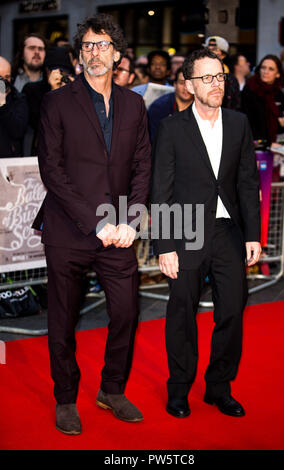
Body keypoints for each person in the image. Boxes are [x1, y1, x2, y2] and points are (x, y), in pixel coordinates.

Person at [32, 13, 151, 435]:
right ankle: (66, 397)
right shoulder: (57, 102)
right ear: (80, 55)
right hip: (69, 230)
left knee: (126, 310)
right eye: (88, 46)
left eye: (103, 46)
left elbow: (142, 167)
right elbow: (53, 170)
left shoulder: (134, 104)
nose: (94, 53)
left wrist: (133, 219)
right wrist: (94, 222)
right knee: (62, 319)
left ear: (118, 55)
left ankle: (112, 390)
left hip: (119, 233)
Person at [151, 47, 261, 419]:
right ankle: (179, 388)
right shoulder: (171, 127)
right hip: (185, 230)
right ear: (189, 84)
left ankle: (218, 387)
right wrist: (164, 246)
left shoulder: (239, 122)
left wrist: (253, 234)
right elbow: (161, 189)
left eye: (220, 76)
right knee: (182, 311)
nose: (217, 84)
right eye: (207, 78)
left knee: (232, 308)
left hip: (228, 230)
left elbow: (247, 182)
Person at [22, 46, 75, 156]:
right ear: (47, 70)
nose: (60, 76)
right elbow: (37, 123)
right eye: (56, 71)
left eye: (64, 72)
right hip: (43, 153)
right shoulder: (32, 90)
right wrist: (54, 92)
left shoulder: (74, 92)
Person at [241, 54, 284, 144]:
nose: (266, 71)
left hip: (274, 144)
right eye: (263, 68)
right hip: (252, 143)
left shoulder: (279, 94)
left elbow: (279, 124)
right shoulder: (250, 89)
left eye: (271, 69)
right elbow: (248, 121)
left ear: (278, 74)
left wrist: (283, 124)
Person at [148, 67, 193, 142]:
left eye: (190, 84)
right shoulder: (159, 107)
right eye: (182, 83)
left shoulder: (201, 107)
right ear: (175, 84)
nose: (186, 88)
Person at [0, 56, 28, 157]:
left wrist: (3, 105)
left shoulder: (18, 98)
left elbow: (18, 131)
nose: (2, 82)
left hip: (8, 161)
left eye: (6, 77)